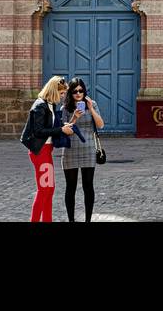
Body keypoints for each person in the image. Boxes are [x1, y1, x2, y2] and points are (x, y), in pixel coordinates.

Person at [19, 75, 76, 222]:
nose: (63, 96)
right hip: (40, 152)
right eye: (62, 93)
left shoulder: (50, 104)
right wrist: (61, 130)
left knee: (49, 189)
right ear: (54, 91)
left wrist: (63, 126)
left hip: (46, 151)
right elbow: (38, 131)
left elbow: (50, 127)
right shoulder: (40, 106)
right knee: (44, 190)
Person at [60, 77, 103, 222]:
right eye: (75, 91)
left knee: (88, 186)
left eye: (81, 90)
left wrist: (90, 108)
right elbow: (65, 130)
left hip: (88, 149)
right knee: (70, 187)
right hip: (70, 150)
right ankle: (71, 219)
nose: (78, 94)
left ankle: (88, 220)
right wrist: (74, 118)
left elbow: (101, 124)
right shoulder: (65, 108)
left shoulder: (92, 104)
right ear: (70, 93)